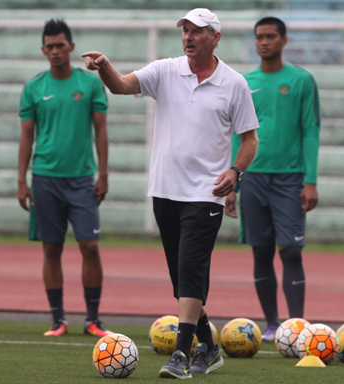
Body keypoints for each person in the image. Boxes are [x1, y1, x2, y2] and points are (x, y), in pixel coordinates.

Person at [82, 8, 259, 379]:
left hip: (206, 193)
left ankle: (181, 355)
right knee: (182, 279)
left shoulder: (234, 84)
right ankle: (209, 347)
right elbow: (121, 86)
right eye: (185, 31)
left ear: (216, 37)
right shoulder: (165, 70)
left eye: (197, 31)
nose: (188, 37)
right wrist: (105, 67)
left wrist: (235, 171)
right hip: (165, 191)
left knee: (191, 269)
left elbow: (250, 140)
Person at [224, 17, 321, 341]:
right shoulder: (244, 81)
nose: (264, 42)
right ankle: (271, 324)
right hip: (252, 178)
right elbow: (239, 134)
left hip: (290, 178)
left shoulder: (302, 80)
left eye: (270, 36)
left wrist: (311, 180)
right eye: (259, 37)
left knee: (291, 251)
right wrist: (233, 184)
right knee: (261, 252)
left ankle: (297, 326)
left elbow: (310, 130)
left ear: (283, 40)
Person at [17, 19, 112, 338]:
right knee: (51, 249)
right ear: (43, 50)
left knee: (89, 246)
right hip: (45, 178)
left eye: (61, 45)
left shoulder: (90, 84)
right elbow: (26, 137)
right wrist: (21, 179)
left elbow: (100, 130)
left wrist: (103, 174)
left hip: (82, 180)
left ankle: (93, 318)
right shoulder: (33, 88)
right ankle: (57, 319)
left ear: (71, 47)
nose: (55, 50)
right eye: (50, 46)